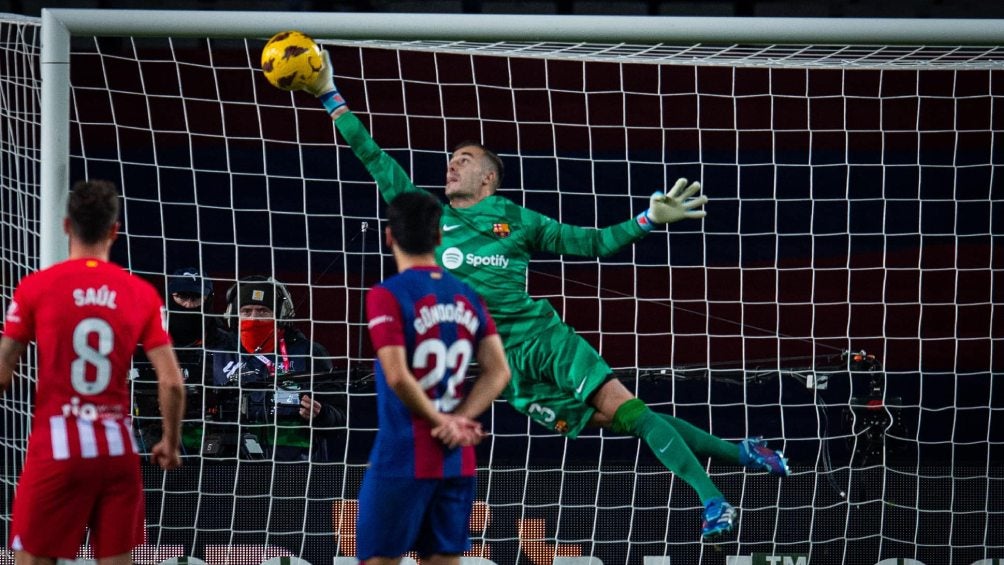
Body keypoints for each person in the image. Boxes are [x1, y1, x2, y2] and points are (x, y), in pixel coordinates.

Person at [299, 50, 790, 538]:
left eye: (463, 161)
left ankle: (715, 502)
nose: (450, 168)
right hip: (505, 371)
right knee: (626, 419)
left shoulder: (520, 220)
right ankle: (743, 452)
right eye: (449, 161)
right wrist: (329, 95)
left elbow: (592, 242)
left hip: (542, 339)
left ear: (488, 177)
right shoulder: (431, 219)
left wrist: (647, 220)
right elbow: (374, 158)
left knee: (630, 410)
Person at [0, 179, 185, 564]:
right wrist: (169, 441)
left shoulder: (37, 287)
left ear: (66, 226)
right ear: (114, 231)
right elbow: (171, 382)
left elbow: (2, 373)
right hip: (116, 451)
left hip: (57, 447)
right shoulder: (139, 293)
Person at [358, 191, 510, 565]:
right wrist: (460, 420)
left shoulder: (387, 295)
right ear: (439, 236)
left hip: (404, 451)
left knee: (379, 560)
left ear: (389, 236)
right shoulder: (468, 295)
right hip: (457, 454)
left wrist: (440, 420)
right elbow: (499, 371)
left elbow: (397, 377)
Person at [210, 275, 344, 461]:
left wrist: (321, 414)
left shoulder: (309, 353)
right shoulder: (217, 354)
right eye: (246, 311)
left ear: (281, 315)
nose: (254, 318)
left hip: (295, 469)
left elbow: (342, 418)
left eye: (263, 311)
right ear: (234, 314)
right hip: (229, 465)